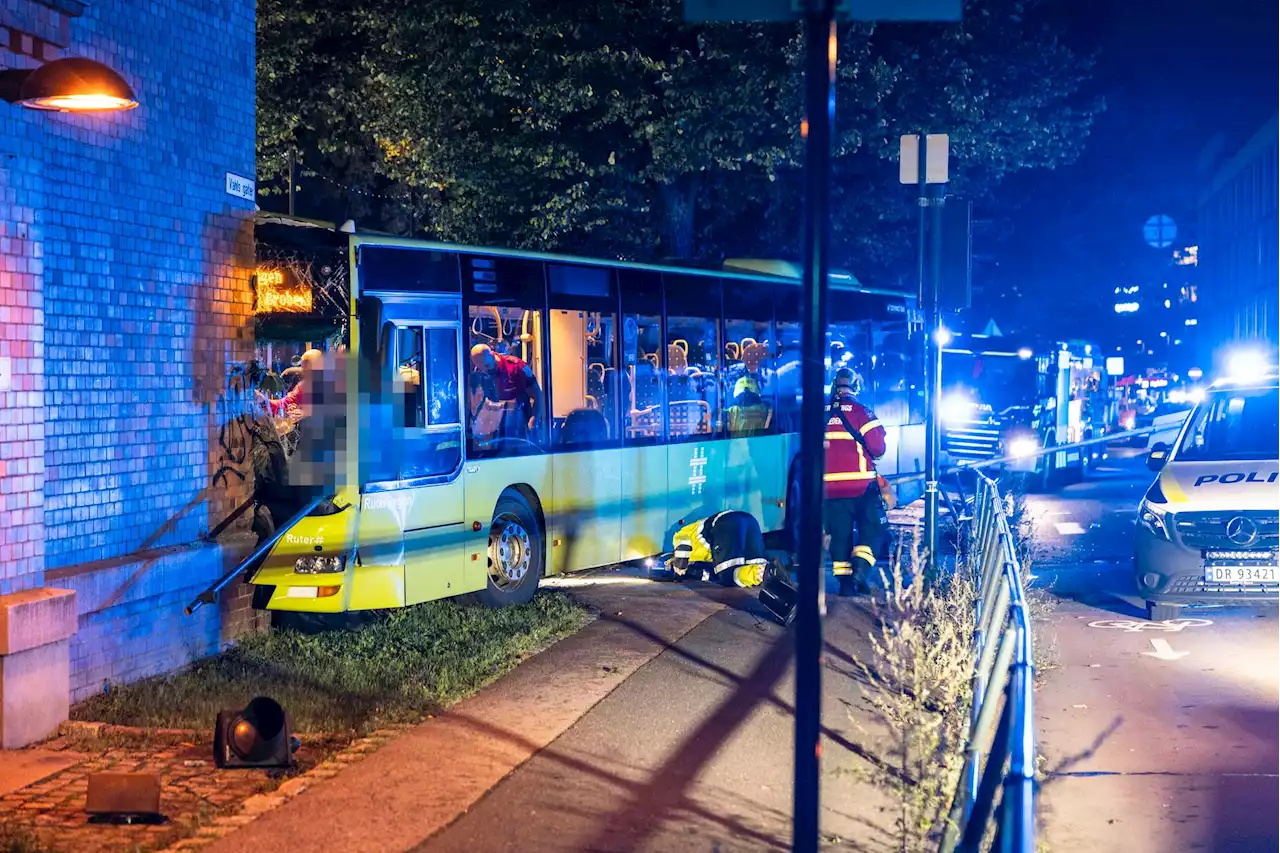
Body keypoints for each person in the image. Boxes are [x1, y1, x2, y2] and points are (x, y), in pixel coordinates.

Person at [823, 367, 888, 596]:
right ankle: (860, 569)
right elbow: (878, 449)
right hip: (861, 487)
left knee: (840, 535)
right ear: (856, 387)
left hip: (829, 489)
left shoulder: (821, 413)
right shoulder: (862, 412)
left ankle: (845, 585)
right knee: (875, 527)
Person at [666, 510, 769, 588]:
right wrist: (690, 572)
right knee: (754, 565)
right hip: (749, 520)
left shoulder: (679, 539)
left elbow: (682, 543)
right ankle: (771, 572)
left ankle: (764, 573)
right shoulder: (699, 563)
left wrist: (680, 565)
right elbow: (711, 575)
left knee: (728, 575)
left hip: (727, 523)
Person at [469, 344, 542, 434]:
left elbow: (538, 395)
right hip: (492, 427)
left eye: (487, 366)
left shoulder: (517, 367)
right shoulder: (479, 372)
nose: (485, 371)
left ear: (492, 354)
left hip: (518, 423)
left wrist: (533, 421)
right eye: (481, 368)